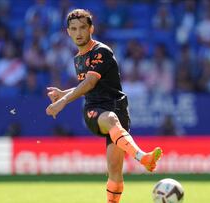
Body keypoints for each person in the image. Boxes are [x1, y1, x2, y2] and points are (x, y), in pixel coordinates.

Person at [45, 9, 163, 203]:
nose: (78, 33)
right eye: (73, 29)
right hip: (95, 110)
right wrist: (63, 94)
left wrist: (62, 100)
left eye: (83, 27)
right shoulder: (78, 59)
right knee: (109, 119)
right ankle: (143, 157)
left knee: (115, 171)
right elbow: (88, 86)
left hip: (119, 108)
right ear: (68, 32)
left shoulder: (101, 51)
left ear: (91, 28)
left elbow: (90, 83)